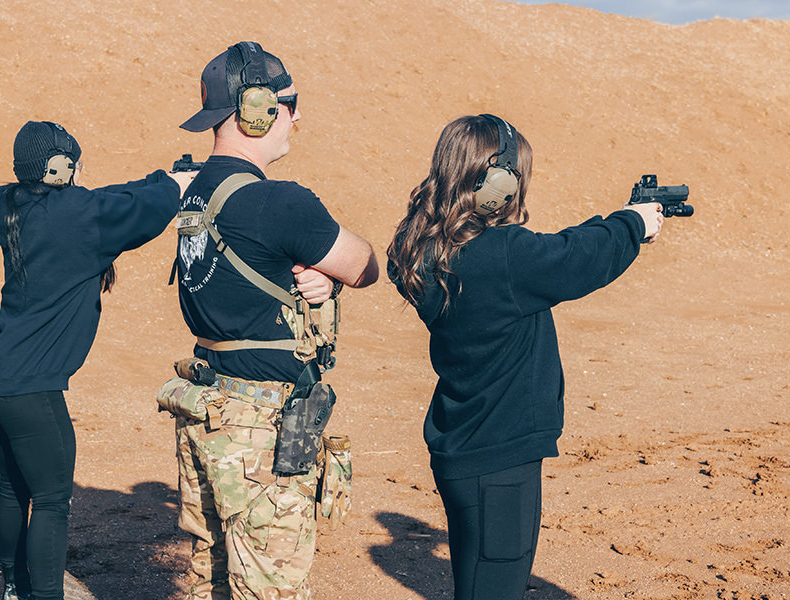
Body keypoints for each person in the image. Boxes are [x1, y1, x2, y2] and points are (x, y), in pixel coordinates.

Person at [386, 114, 664, 600]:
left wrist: (621, 219)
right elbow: (579, 257)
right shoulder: (503, 256)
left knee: (478, 583)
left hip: (467, 448)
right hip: (500, 460)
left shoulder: (426, 250)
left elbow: (559, 250)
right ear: (495, 182)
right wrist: (633, 223)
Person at [166, 41, 378, 600]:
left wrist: (313, 278)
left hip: (207, 408)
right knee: (271, 587)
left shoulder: (193, 194)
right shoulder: (280, 203)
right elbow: (364, 264)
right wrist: (332, 277)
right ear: (256, 108)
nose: (297, 116)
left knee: (207, 574)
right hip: (261, 425)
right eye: (289, 103)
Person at [0, 120, 194, 600]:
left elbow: (109, 198)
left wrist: (163, 178)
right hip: (30, 389)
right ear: (59, 168)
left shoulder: (11, 203)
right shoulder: (74, 216)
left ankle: (13, 587)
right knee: (52, 501)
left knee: (14, 486)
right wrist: (175, 187)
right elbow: (135, 209)